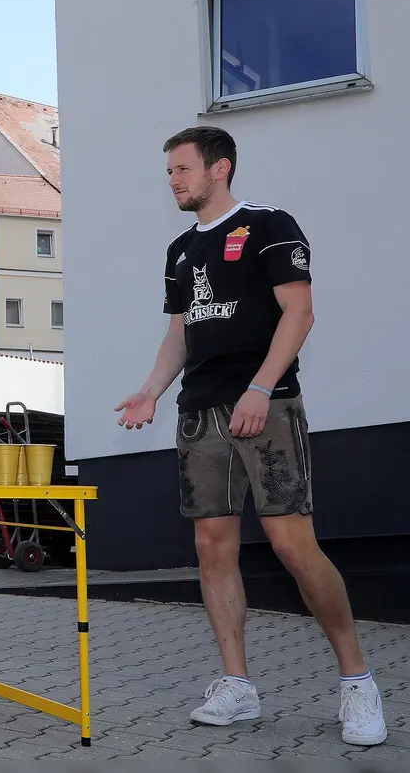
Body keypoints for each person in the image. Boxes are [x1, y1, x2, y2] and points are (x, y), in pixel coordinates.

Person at [115, 126, 386, 747]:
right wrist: (152, 390)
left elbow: (300, 311)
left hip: (267, 405)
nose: (174, 181)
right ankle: (236, 686)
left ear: (220, 168)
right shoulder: (180, 250)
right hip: (199, 413)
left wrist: (261, 389)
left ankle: (357, 682)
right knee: (214, 548)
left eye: (183, 169)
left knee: (294, 546)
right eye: (169, 172)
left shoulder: (269, 225)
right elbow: (182, 331)